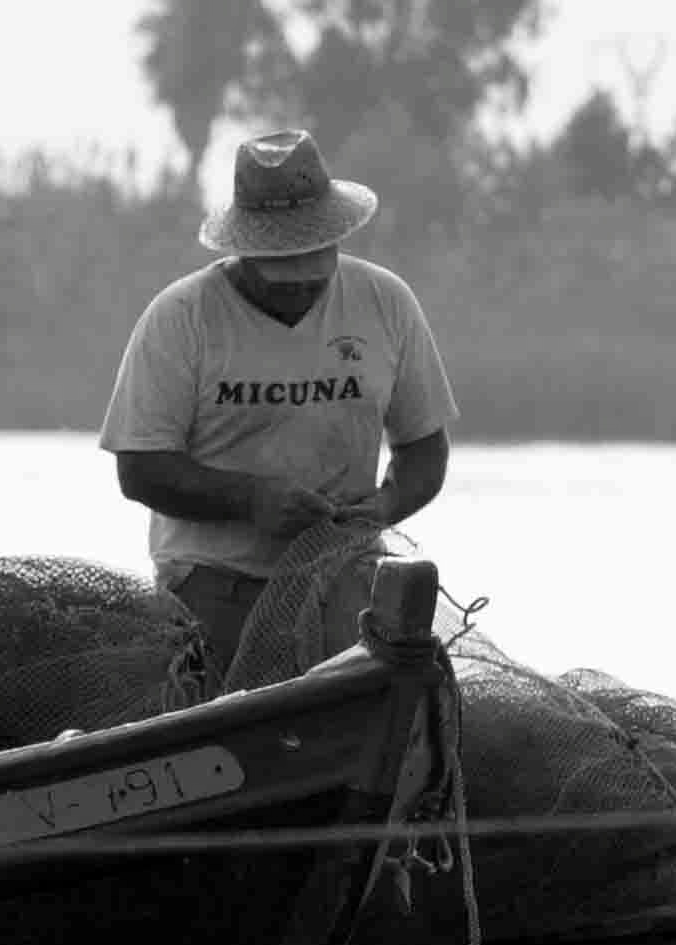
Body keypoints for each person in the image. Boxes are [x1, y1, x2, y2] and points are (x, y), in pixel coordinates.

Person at [99, 126, 456, 682]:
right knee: (223, 722)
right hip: (214, 586)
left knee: (367, 719)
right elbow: (140, 470)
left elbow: (424, 450)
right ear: (245, 249)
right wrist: (250, 500)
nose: (301, 288)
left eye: (314, 266)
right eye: (282, 271)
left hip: (346, 580)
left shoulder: (385, 302)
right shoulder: (182, 317)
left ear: (336, 238)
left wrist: (385, 507)